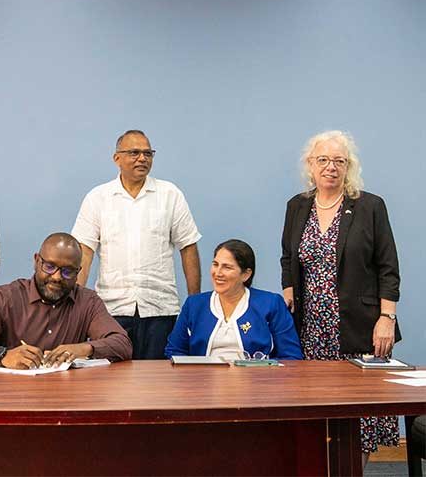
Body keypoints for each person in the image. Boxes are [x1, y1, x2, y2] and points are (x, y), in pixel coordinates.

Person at [280, 130, 401, 459]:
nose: (330, 167)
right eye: (323, 160)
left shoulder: (369, 206)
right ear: (310, 164)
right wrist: (289, 290)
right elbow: (289, 256)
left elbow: (387, 266)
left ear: (349, 167)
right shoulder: (298, 206)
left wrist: (386, 318)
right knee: (317, 409)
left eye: (339, 161)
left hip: (359, 327)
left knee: (358, 416)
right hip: (311, 329)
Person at [71, 130, 202, 360]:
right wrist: (76, 303)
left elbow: (188, 246)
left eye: (148, 153)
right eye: (134, 153)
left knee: (157, 384)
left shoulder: (169, 194)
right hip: (111, 309)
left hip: (160, 308)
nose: (142, 159)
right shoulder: (98, 197)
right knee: (112, 384)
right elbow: (85, 252)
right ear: (117, 158)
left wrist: (195, 302)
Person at [0, 233, 132, 368]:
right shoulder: (5, 297)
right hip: (11, 394)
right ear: (36, 261)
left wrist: (84, 349)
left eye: (67, 271)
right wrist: (3, 356)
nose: (56, 277)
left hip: (68, 395)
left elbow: (122, 344)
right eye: (49, 266)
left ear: (78, 272)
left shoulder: (88, 301)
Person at [165, 240, 302, 360]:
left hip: (257, 384)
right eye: (215, 264)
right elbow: (175, 351)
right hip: (203, 384)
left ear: (246, 274)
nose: (218, 273)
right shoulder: (194, 305)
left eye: (227, 267)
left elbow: (291, 356)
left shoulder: (271, 304)